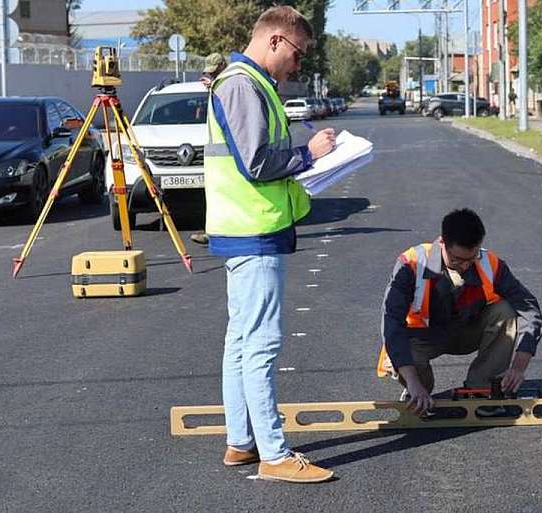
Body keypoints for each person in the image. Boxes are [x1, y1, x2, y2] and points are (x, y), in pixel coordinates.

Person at [203, 5, 337, 484]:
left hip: (249, 228)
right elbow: (257, 163)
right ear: (277, 41)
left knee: (241, 341)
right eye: (298, 55)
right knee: (260, 343)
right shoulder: (242, 84)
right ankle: (274, 455)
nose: (297, 66)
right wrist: (309, 155)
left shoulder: (250, 83)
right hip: (253, 231)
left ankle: (241, 442)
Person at [380, 208, 542, 416]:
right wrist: (412, 381)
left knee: (506, 311)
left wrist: (519, 366)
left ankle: (481, 390)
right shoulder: (411, 264)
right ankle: (418, 390)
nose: (464, 266)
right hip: (423, 337)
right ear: (442, 244)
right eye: (457, 260)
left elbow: (529, 309)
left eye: (471, 258)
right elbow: (391, 323)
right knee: (409, 368)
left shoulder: (490, 263)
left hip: (467, 331)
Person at [190, 53, 229, 247]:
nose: (211, 77)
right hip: (217, 160)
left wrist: (214, 86)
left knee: (228, 200)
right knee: (216, 200)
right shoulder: (215, 90)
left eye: (214, 74)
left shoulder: (226, 87)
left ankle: (218, 233)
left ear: (223, 67)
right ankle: (213, 232)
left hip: (229, 160)